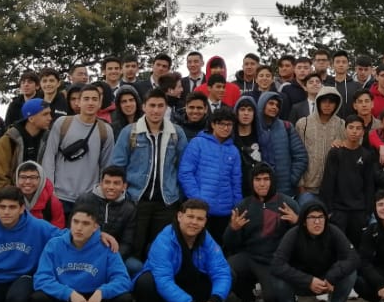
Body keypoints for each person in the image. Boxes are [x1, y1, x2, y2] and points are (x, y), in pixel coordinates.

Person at [31, 203, 134, 302]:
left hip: (94, 298)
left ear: (95, 227)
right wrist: (69, 293)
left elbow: (123, 280)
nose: (79, 227)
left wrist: (101, 292)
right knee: (38, 298)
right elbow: (41, 279)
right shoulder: (54, 245)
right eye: (76, 222)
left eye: (86, 223)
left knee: (125, 299)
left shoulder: (107, 246)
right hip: (66, 296)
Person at [131, 198, 233, 302]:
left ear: (205, 222)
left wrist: (214, 301)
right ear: (180, 216)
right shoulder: (164, 240)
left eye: (199, 219)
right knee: (144, 281)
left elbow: (221, 270)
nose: (194, 222)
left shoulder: (206, 239)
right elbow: (163, 281)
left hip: (189, 288)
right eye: (190, 216)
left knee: (225, 273)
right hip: (162, 297)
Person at [110, 87, 184, 263]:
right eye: (152, 105)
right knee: (135, 247)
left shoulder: (176, 133)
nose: (156, 110)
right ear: (143, 107)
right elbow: (118, 165)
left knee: (161, 250)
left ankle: (155, 285)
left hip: (167, 201)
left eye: (160, 105)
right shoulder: (130, 131)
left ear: (166, 108)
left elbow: (182, 165)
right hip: (136, 200)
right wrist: (123, 193)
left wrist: (178, 194)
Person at [268, 200, 360, 302]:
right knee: (276, 275)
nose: (317, 222)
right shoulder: (293, 234)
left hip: (327, 281)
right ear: (304, 221)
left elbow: (353, 258)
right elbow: (277, 264)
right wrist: (308, 281)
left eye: (321, 217)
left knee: (350, 272)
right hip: (300, 281)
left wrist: (331, 277)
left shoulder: (333, 231)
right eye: (312, 217)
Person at [223, 163, 299, 302]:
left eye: (266, 179)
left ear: (273, 181)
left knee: (273, 301)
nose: (262, 183)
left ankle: (289, 296)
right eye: (258, 179)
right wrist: (233, 229)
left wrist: (297, 223)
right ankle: (247, 298)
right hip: (250, 257)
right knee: (226, 269)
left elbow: (306, 241)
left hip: (275, 260)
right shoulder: (244, 205)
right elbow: (229, 244)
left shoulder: (287, 203)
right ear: (252, 182)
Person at [38, 86, 114, 221]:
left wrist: (100, 192)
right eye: (86, 99)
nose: (90, 103)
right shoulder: (63, 123)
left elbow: (106, 165)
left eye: (94, 99)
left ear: (100, 103)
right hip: (59, 195)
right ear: (78, 102)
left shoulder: (105, 130)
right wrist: (50, 191)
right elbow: (49, 157)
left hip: (90, 197)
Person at [178, 106, 243, 240]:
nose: (226, 128)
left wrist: (237, 208)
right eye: (222, 124)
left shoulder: (233, 151)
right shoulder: (198, 143)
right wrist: (198, 199)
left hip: (224, 212)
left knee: (220, 248)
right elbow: (185, 173)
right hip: (200, 210)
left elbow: (236, 182)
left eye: (229, 124)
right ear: (213, 124)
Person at [320, 114, 376, 248]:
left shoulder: (366, 155)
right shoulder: (335, 153)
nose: (354, 131)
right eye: (351, 128)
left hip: (359, 210)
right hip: (338, 210)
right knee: (337, 247)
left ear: (363, 131)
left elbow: (369, 185)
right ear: (345, 130)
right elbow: (328, 182)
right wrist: (329, 210)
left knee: (357, 247)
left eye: (358, 128)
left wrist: (367, 211)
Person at [77, 166, 139, 274]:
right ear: (101, 183)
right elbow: (72, 231)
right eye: (107, 182)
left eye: (116, 183)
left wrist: (110, 259)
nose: (111, 187)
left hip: (112, 254)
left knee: (136, 266)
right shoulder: (84, 200)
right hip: (85, 251)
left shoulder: (130, 209)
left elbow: (127, 243)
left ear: (124, 186)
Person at [0, 98, 52, 196]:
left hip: (41, 198)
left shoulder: (49, 139)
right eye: (45, 114)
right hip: (13, 201)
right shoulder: (8, 141)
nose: (50, 118)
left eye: (49, 113)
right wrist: (11, 199)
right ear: (31, 118)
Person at [295, 86, 344, 203]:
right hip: (307, 187)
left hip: (332, 188)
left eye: (331, 102)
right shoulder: (303, 124)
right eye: (324, 101)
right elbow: (296, 155)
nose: (327, 105)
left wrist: (342, 143)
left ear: (337, 104)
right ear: (318, 102)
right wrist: (300, 186)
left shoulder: (342, 124)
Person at [259, 90, 308, 199]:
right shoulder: (254, 128)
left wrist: (291, 179)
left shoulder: (287, 127)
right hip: (259, 192)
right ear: (262, 104)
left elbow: (301, 156)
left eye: (277, 105)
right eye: (271, 103)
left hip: (285, 192)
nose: (274, 107)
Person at [16, 160, 65, 227]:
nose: (27, 182)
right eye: (23, 177)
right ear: (17, 178)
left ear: (41, 179)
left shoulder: (52, 203)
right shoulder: (12, 199)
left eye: (33, 177)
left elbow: (57, 232)